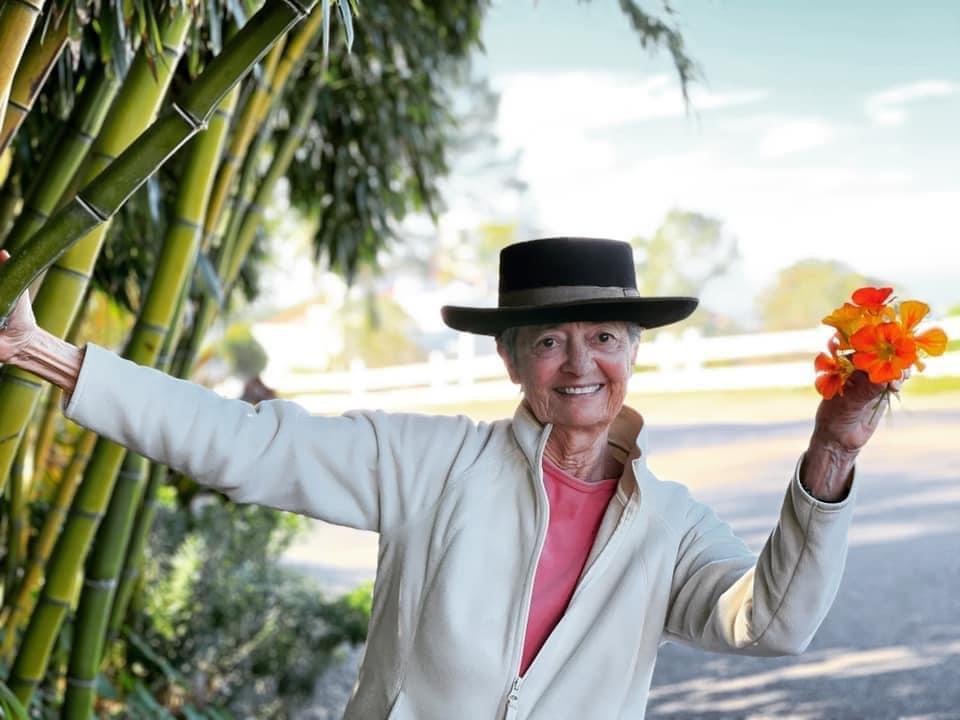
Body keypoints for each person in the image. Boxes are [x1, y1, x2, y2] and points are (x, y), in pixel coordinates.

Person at [0, 237, 900, 719]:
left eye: (603, 338)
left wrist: (833, 452)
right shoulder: (432, 465)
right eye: (548, 340)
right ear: (512, 362)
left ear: (632, 354)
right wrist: (42, 353)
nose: (578, 363)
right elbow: (247, 444)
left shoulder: (671, 527)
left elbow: (773, 625)